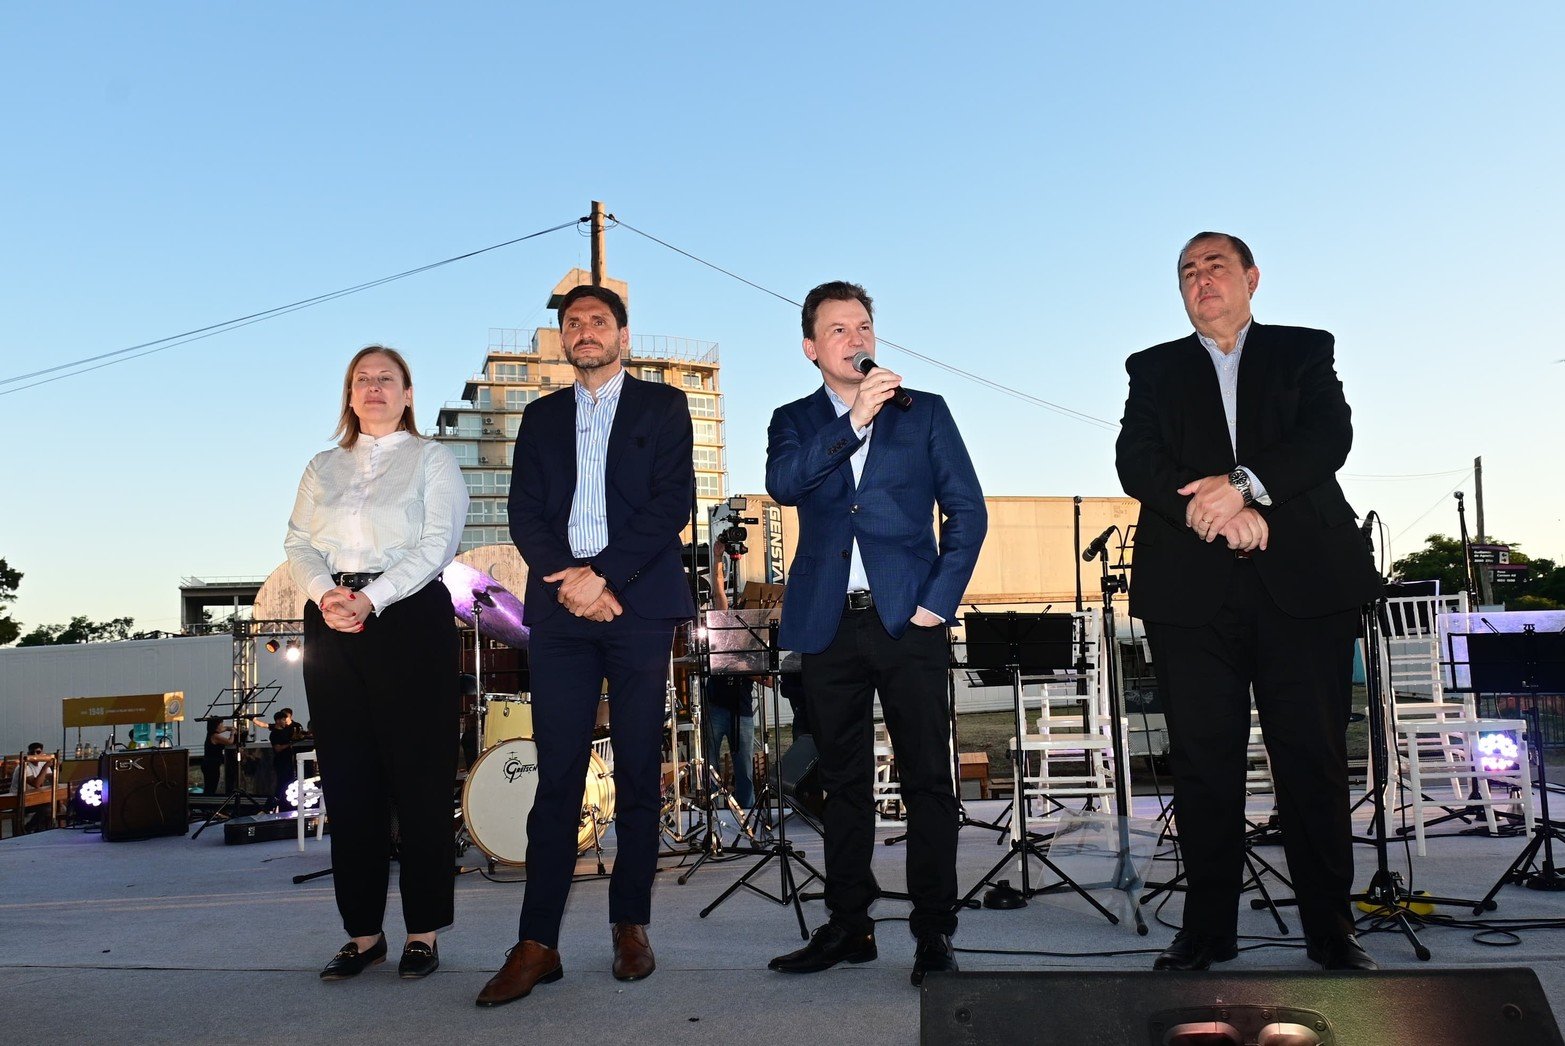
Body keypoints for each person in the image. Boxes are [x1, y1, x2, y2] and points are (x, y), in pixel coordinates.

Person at [1115, 232, 1382, 973]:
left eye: (1215, 267)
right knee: (1202, 767)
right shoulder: (1153, 368)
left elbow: (1326, 439)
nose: (1200, 280)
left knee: (1313, 760)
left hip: (1301, 585)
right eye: (1187, 272)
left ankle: (1330, 928)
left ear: (1251, 279)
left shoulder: (1302, 350)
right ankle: (1206, 930)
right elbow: (1137, 461)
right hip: (1189, 592)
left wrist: (1245, 488)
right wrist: (1215, 512)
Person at [477, 284, 696, 1008]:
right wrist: (570, 581)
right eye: (572, 323)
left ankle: (629, 924)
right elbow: (523, 510)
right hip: (563, 612)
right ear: (564, 340)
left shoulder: (662, 407)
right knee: (558, 775)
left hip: (637, 604)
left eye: (597, 321)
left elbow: (673, 504)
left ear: (622, 336)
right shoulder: (539, 418)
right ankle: (536, 943)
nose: (584, 331)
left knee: (637, 769)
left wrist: (604, 577)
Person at [764, 281, 987, 987]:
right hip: (827, 625)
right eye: (837, 330)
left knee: (927, 782)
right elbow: (783, 484)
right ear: (811, 348)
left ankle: (933, 934)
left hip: (906, 621)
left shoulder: (925, 414)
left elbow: (967, 512)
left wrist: (936, 603)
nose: (855, 339)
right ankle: (849, 925)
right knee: (843, 784)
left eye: (863, 326)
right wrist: (851, 422)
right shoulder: (795, 420)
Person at [284, 344, 468, 981]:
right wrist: (326, 595)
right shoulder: (322, 465)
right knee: (350, 781)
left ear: (408, 393)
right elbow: (298, 541)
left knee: (418, 781)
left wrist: (372, 597)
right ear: (348, 393)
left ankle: (423, 933)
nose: (374, 389)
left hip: (408, 615)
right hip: (332, 620)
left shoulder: (431, 459)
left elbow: (438, 543)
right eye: (362, 380)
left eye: (386, 379)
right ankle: (363, 935)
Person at [21, 742, 56, 831]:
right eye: (32, 752)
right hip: (21, 800)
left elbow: (53, 780)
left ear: (42, 753)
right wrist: (45, 767)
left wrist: (56, 768)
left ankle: (42, 829)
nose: (35, 755)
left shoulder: (42, 764)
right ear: (28, 754)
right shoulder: (25, 766)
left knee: (58, 806)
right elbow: (36, 784)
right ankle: (30, 827)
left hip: (35, 799)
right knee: (47, 808)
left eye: (38, 752)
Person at [200, 718, 234, 796]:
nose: (222, 726)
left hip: (211, 764)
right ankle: (207, 804)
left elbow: (224, 728)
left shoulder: (211, 733)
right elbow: (230, 742)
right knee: (211, 787)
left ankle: (207, 803)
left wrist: (230, 728)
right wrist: (232, 733)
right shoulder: (215, 736)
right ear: (217, 725)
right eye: (221, 724)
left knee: (210, 786)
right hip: (211, 765)